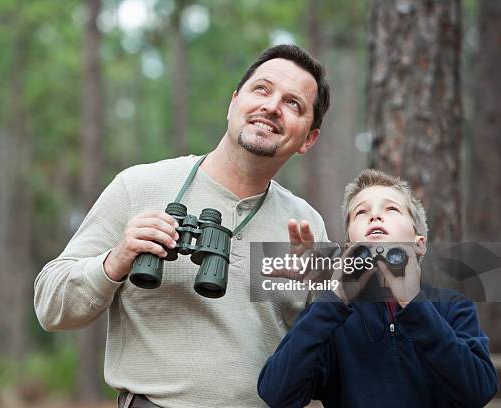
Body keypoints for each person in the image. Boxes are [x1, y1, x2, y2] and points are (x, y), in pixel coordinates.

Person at [34, 44, 331, 408]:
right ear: (233, 102)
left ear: (309, 138)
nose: (271, 107)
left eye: (293, 104)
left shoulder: (305, 225)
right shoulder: (139, 186)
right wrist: (116, 260)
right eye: (262, 90)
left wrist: (325, 294)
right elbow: (51, 305)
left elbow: (329, 356)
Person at [257, 169, 498, 408]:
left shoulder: (452, 307)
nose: (374, 216)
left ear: (419, 243)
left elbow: (478, 391)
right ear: (350, 244)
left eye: (391, 209)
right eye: (361, 212)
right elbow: (277, 393)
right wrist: (333, 299)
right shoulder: (330, 314)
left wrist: (414, 304)